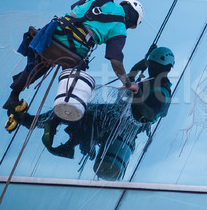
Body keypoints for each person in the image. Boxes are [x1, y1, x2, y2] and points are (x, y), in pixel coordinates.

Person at [12, 47, 175, 179]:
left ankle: (40, 126)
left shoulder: (162, 90)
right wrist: (145, 60)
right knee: (81, 112)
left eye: (155, 65)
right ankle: (52, 133)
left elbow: (149, 115)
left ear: (165, 68)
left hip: (121, 123)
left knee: (81, 110)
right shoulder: (150, 81)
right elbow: (132, 73)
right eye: (151, 64)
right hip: (117, 119)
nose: (152, 67)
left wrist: (138, 95)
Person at [3, 0, 144, 118]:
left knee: (40, 65)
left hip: (53, 36)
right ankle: (56, 120)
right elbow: (115, 60)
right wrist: (128, 83)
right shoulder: (120, 29)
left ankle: (13, 96)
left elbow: (75, 7)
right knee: (75, 86)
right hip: (73, 53)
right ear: (132, 21)